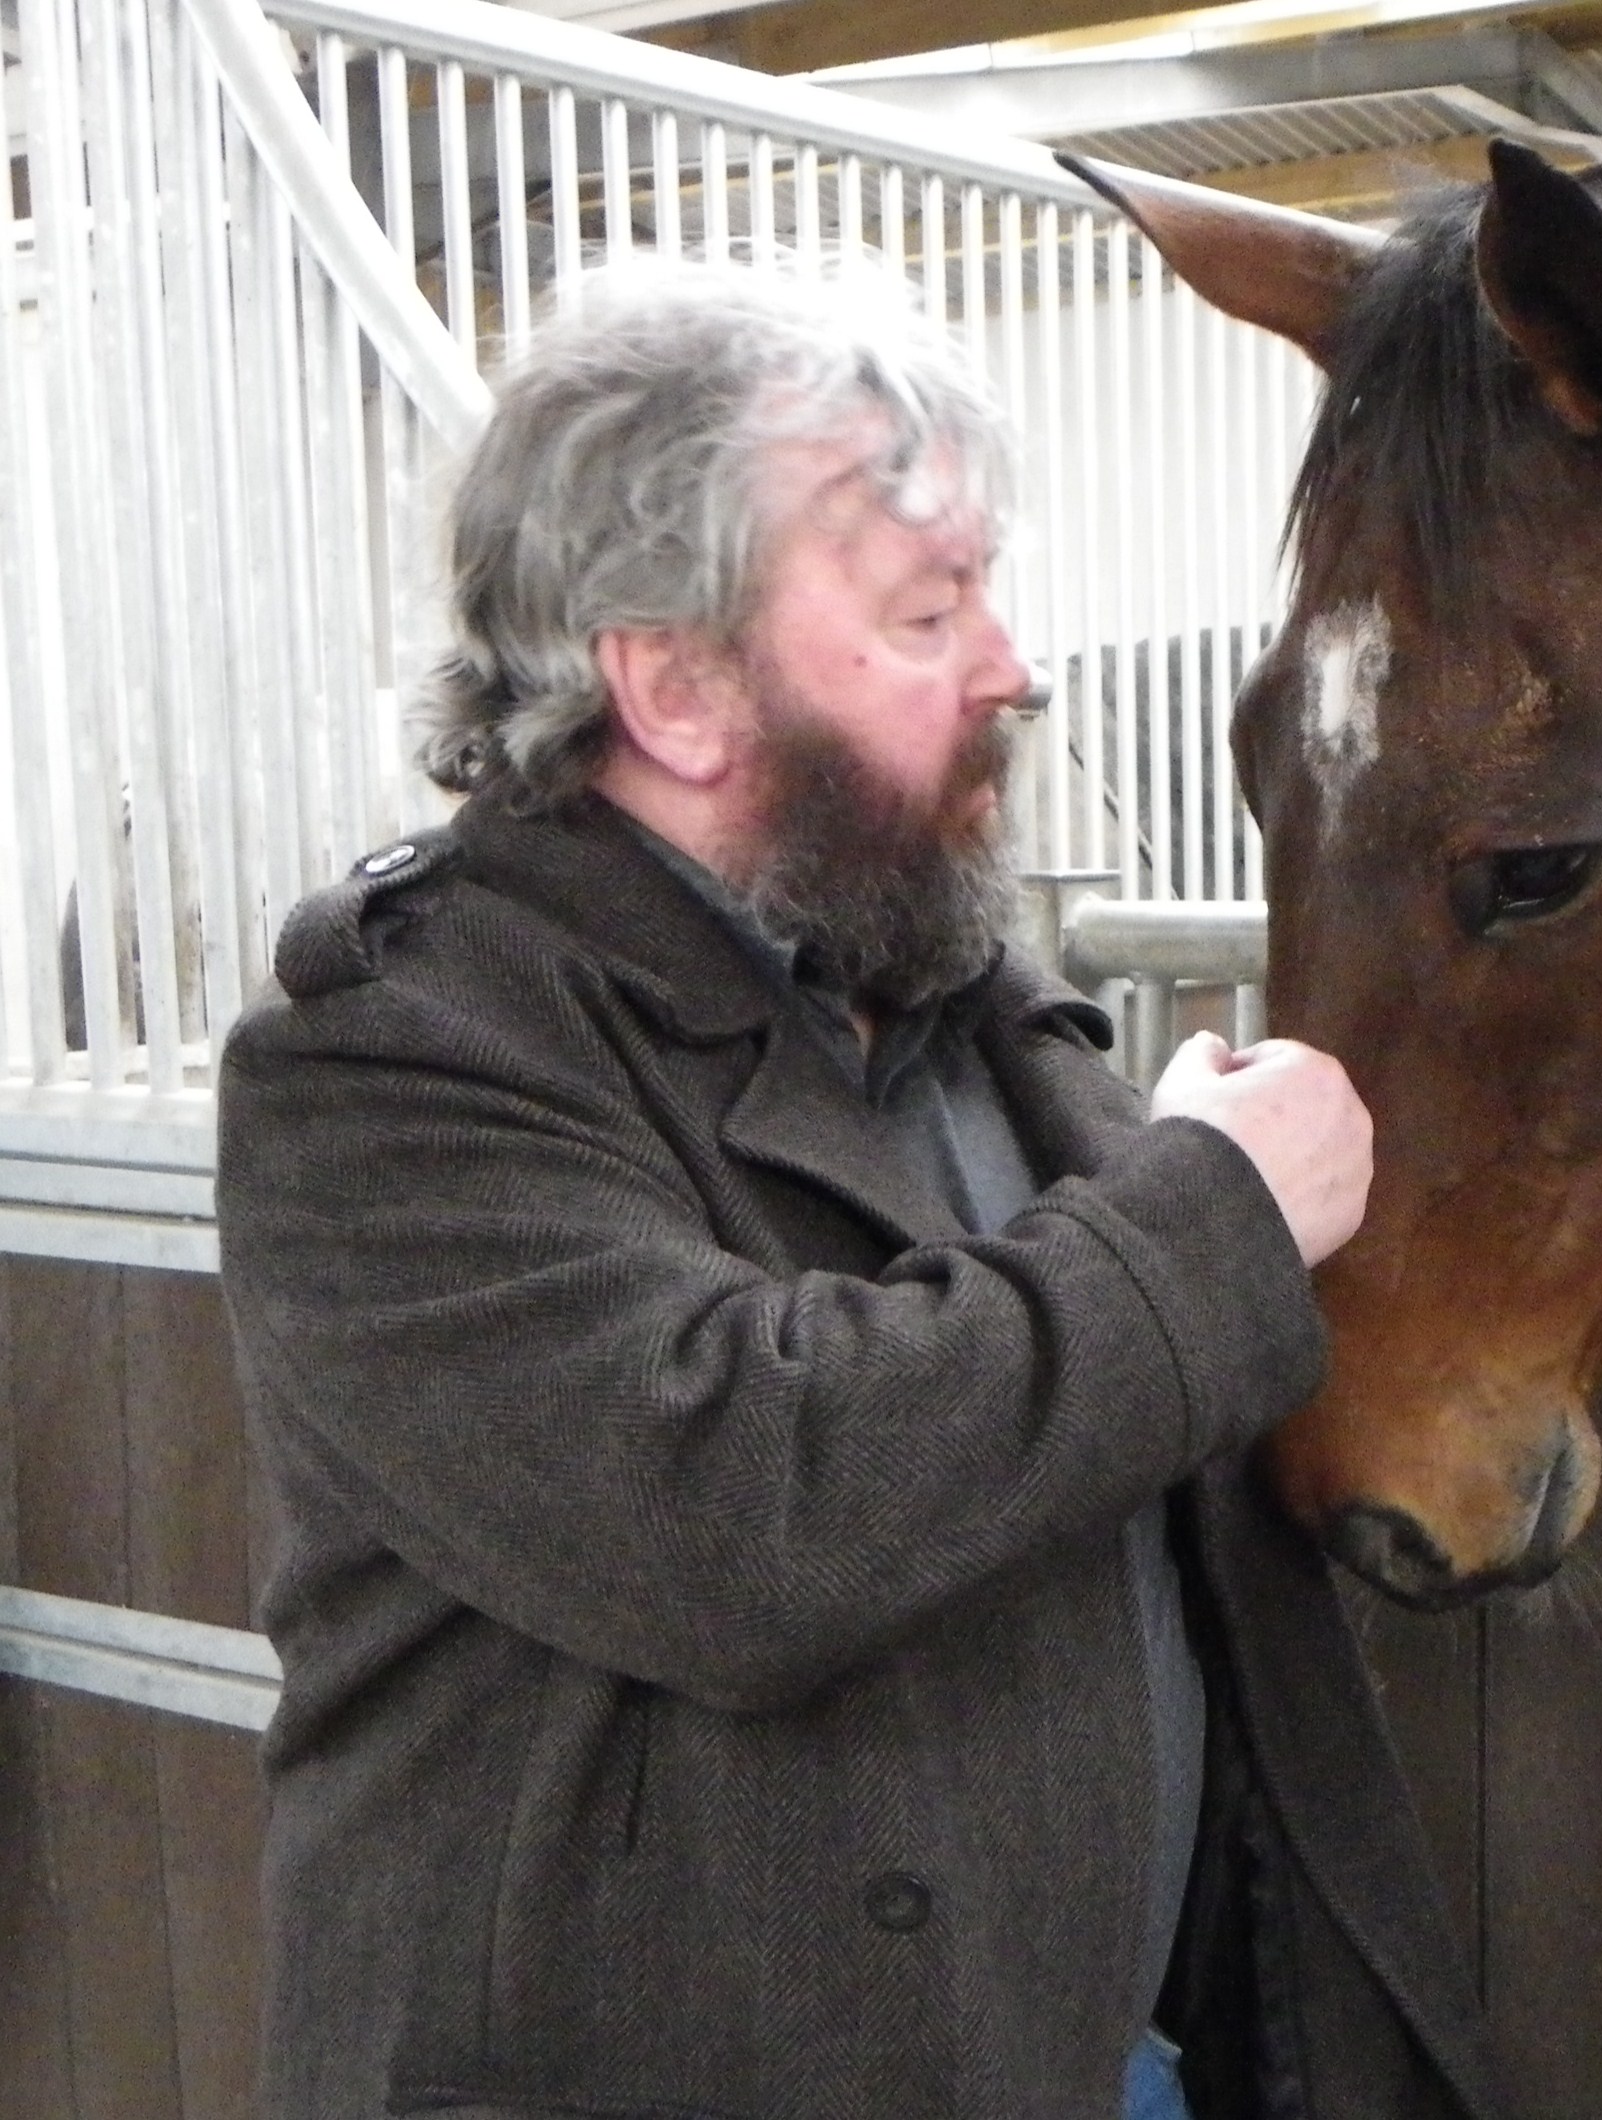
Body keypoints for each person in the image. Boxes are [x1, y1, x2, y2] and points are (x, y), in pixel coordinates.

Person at [216, 261, 1502, 2120]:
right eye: (928, 610)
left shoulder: (950, 988)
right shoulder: (393, 1062)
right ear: (678, 687)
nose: (1015, 668)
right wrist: (1210, 1212)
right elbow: (733, 1515)